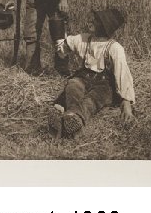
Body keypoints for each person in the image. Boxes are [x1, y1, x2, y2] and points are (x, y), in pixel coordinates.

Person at [49, 8, 135, 138]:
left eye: (96, 21)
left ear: (105, 27)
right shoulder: (84, 39)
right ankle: (70, 119)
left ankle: (73, 117)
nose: (91, 21)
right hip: (83, 77)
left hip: (105, 84)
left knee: (93, 99)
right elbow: (63, 49)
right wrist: (60, 38)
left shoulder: (115, 48)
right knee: (73, 86)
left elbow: (122, 73)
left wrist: (126, 101)